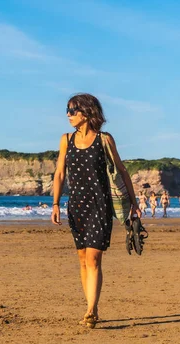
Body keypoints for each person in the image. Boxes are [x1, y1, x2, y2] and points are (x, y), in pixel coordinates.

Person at [51, 93, 140, 329]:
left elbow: (121, 170)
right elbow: (60, 173)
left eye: (73, 110)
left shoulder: (104, 139)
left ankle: (91, 309)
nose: (68, 115)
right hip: (76, 206)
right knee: (82, 259)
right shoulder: (66, 140)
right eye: (67, 110)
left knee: (94, 258)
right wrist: (56, 204)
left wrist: (134, 203)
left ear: (87, 112)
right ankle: (91, 305)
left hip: (100, 204)